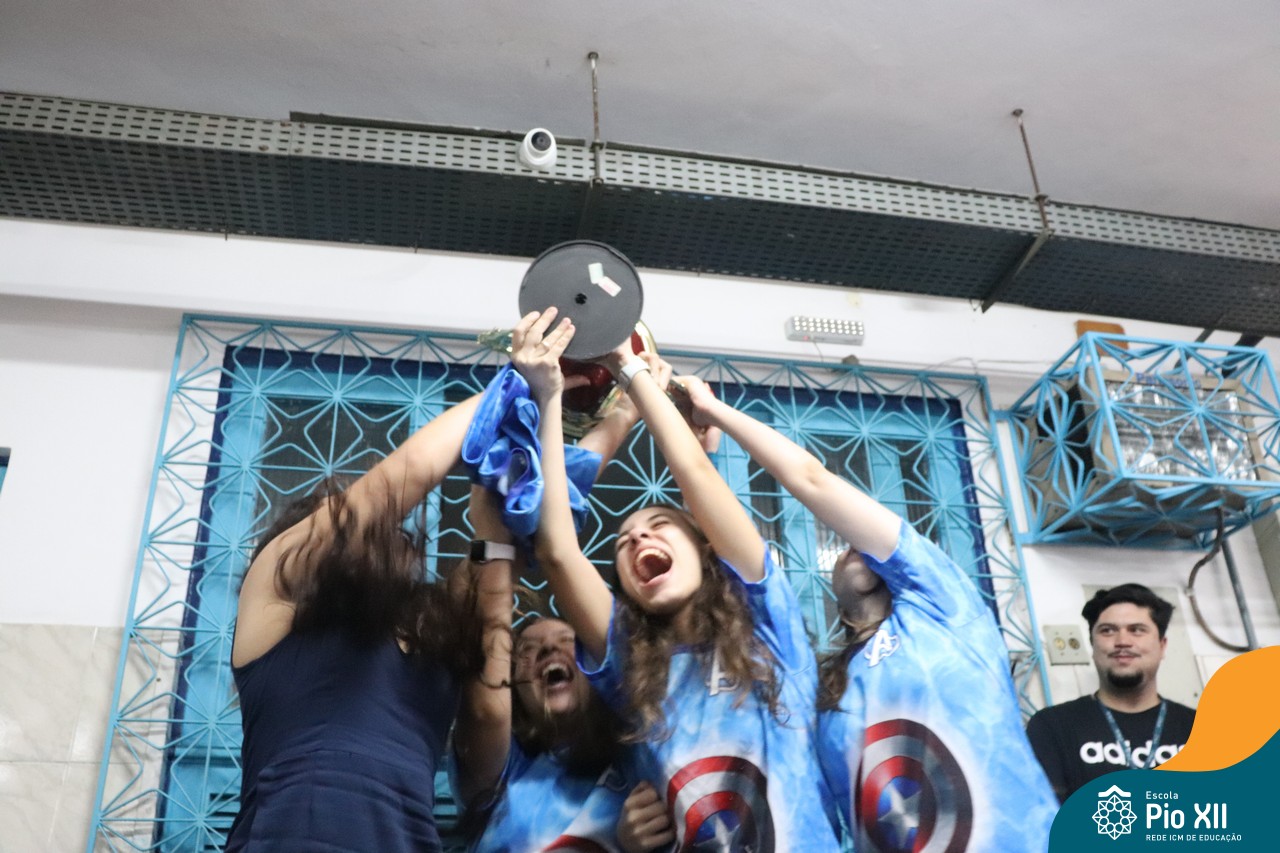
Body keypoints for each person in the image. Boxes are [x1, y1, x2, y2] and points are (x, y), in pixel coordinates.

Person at [671, 374, 1057, 851]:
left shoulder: (943, 605)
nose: (854, 543)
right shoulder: (821, 687)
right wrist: (702, 462)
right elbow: (726, 569)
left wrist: (714, 410)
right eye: (844, 549)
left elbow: (811, 479)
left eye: (862, 538)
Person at [513, 306, 843, 851]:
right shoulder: (626, 662)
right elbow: (557, 551)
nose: (637, 538)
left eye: (660, 525)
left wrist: (629, 369)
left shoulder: (768, 624)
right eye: (623, 541)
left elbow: (694, 475)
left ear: (706, 552)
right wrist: (548, 397)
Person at [225, 394, 484, 853]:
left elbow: (502, 549)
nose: (375, 524)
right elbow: (399, 481)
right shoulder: (275, 596)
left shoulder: (430, 630)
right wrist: (510, 386)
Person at [451, 394, 644, 851]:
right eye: (527, 651)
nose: (550, 651)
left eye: (569, 643)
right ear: (512, 684)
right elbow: (486, 701)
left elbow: (555, 536)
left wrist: (625, 412)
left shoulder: (639, 754)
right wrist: (492, 540)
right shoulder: (502, 771)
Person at [1025, 584, 1196, 803]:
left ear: (1162, 646)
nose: (1122, 641)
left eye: (1137, 630)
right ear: (1092, 645)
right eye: (1107, 630)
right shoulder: (1052, 727)